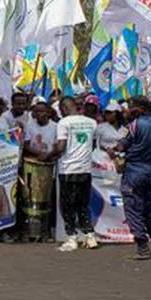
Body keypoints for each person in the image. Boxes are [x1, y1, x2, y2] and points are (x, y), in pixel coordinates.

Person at [109, 96, 151, 261]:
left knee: (133, 209)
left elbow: (123, 145)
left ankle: (142, 247)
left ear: (140, 108)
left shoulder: (135, 125)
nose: (128, 110)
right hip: (148, 169)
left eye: (131, 107)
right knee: (149, 209)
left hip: (134, 170)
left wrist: (113, 150)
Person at [52, 96, 99, 252]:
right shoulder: (91, 123)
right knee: (83, 204)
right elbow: (92, 145)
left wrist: (48, 154)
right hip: (85, 169)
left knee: (68, 205)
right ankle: (89, 235)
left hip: (68, 169)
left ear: (64, 108)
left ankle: (71, 237)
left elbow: (61, 147)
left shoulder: (64, 123)